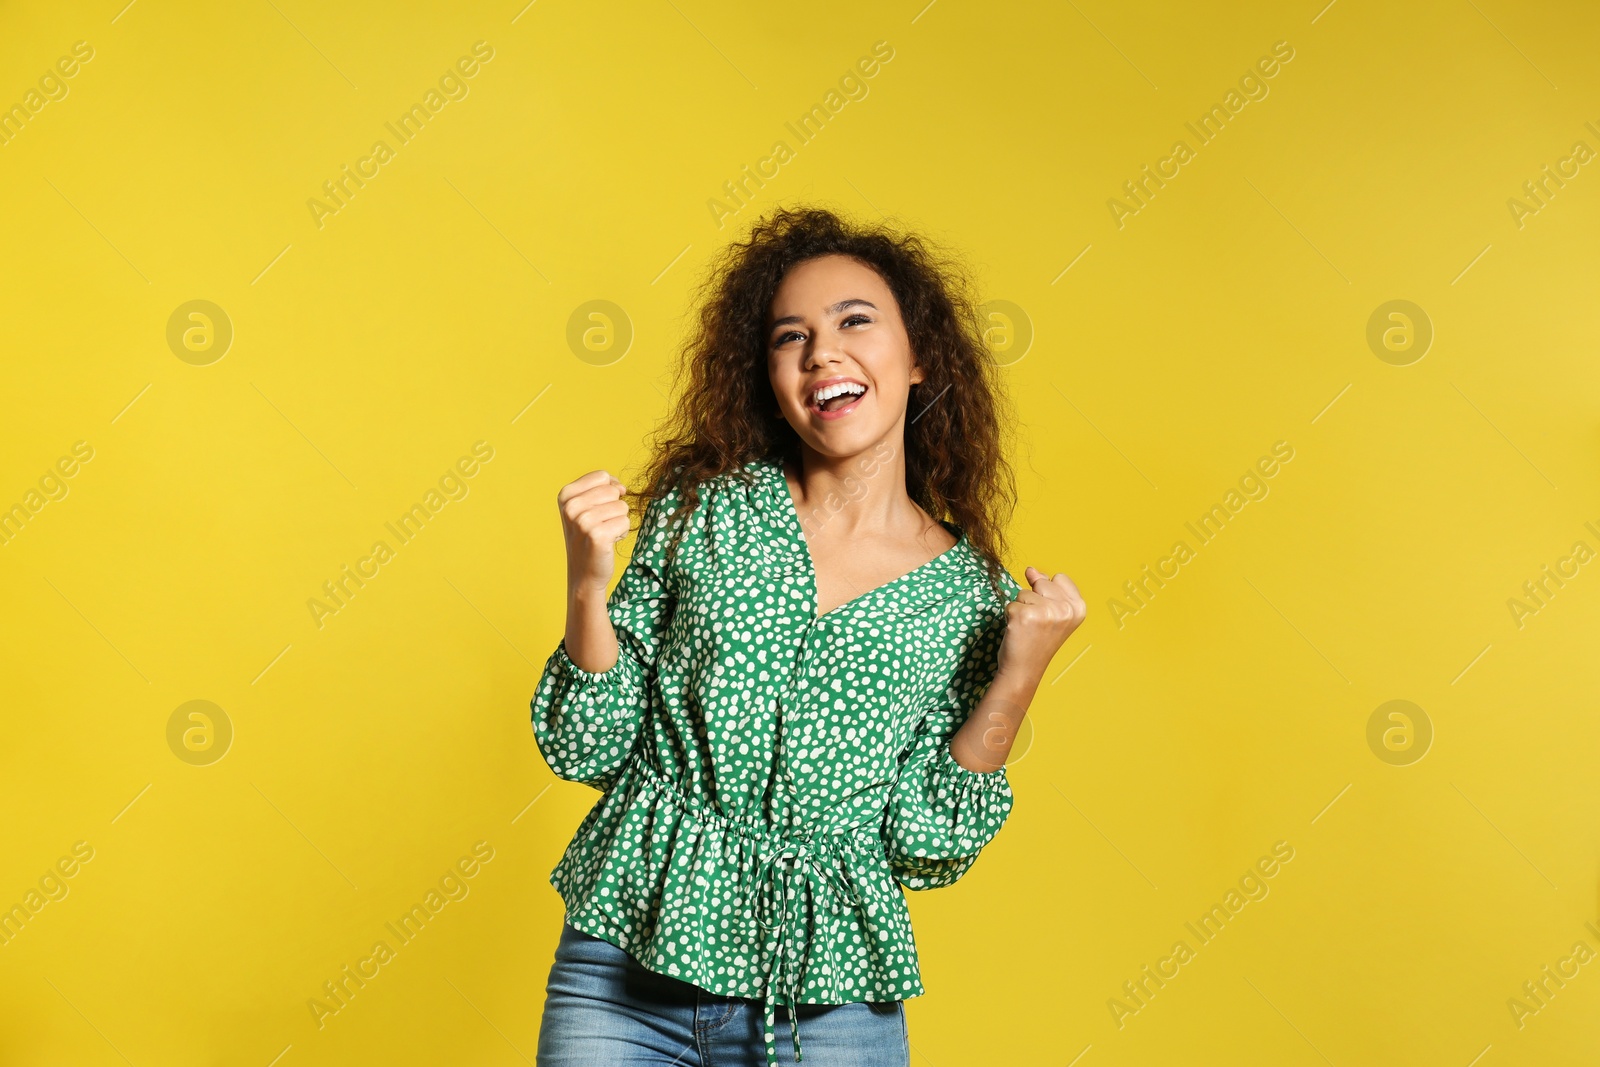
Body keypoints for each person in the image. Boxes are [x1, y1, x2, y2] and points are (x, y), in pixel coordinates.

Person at [531, 206, 1085, 1066]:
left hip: (825, 1009)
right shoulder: (706, 506)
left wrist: (1020, 676)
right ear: (771, 375)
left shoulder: (967, 597)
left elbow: (922, 841)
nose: (822, 351)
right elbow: (588, 743)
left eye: (855, 321)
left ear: (918, 357)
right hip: (621, 978)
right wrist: (586, 585)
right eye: (792, 336)